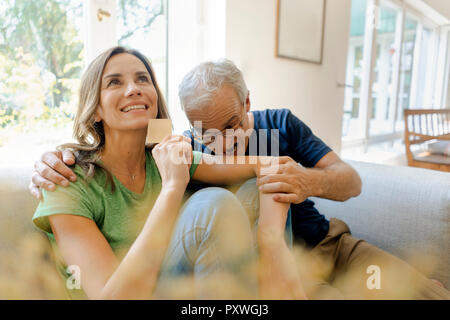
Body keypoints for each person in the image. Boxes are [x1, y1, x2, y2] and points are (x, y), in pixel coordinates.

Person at [30, 58, 449, 299]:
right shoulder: (185, 150)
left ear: (248, 101)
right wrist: (57, 157)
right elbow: (120, 149)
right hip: (284, 269)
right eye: (208, 132)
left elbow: (350, 182)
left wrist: (306, 181)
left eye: (233, 123)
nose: (224, 141)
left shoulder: (279, 124)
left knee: (426, 292)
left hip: (330, 243)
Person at [31, 46, 305, 300]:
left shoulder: (168, 154)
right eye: (115, 82)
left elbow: (271, 166)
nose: (133, 89)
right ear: (95, 110)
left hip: (180, 289)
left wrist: (272, 246)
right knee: (212, 203)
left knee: (256, 189)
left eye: (142, 79)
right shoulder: (66, 181)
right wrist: (173, 188)